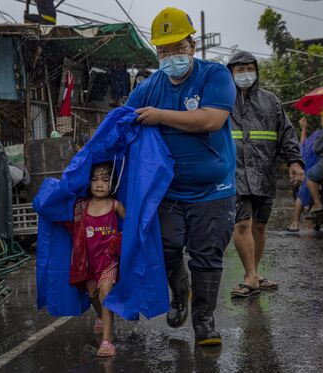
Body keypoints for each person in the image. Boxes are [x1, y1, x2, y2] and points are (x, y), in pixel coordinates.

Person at [127, 7, 237, 346]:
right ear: (156, 52)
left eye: (177, 47)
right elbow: (122, 121)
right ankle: (180, 291)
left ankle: (204, 321)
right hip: (169, 192)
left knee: (207, 254)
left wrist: (160, 115)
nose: (171, 55)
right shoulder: (149, 87)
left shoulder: (215, 76)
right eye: (164, 50)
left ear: (192, 44)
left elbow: (211, 120)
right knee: (166, 247)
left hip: (214, 190)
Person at [226, 51, 304, 298]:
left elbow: (287, 133)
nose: (245, 74)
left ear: (256, 70)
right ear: (231, 73)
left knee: (259, 226)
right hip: (233, 171)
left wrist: (295, 161)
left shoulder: (271, 102)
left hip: (263, 172)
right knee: (242, 223)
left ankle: (255, 273)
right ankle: (250, 275)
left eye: (249, 68)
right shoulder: (222, 101)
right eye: (239, 70)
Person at [66, 162, 125, 357]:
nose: (99, 184)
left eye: (105, 180)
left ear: (113, 184)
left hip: (109, 261)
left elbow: (131, 225)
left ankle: (107, 341)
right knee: (93, 296)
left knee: (105, 293)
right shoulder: (82, 206)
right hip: (88, 263)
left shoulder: (115, 205)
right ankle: (100, 316)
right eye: (95, 180)